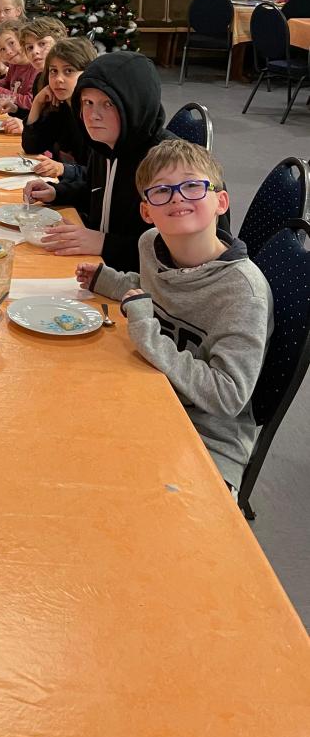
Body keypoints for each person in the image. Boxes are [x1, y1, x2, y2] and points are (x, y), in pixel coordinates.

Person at [76, 140, 272, 494]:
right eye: (162, 191)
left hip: (206, 439)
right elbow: (158, 290)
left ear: (221, 202)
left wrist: (146, 333)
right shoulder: (151, 244)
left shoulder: (243, 292)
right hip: (146, 397)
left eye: (193, 185)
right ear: (147, 211)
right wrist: (112, 282)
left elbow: (227, 396)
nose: (178, 198)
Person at [24, 50, 173, 269]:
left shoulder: (169, 165)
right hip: (99, 267)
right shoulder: (105, 145)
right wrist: (57, 192)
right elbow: (97, 192)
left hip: (138, 281)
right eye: (87, 102)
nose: (93, 115)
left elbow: (174, 255)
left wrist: (104, 243)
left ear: (134, 104)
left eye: (108, 104)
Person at [22, 37, 98, 179]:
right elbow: (32, 147)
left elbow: (99, 175)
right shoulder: (60, 108)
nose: (58, 79)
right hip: (62, 187)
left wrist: (63, 169)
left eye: (68, 71)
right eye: (53, 71)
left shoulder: (95, 116)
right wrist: (37, 104)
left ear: (87, 72)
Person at [1, 16, 68, 134]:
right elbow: (43, 118)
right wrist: (16, 110)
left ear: (59, 44)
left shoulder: (67, 81)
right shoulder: (40, 79)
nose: (35, 51)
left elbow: (64, 131)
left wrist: (29, 128)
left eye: (42, 44)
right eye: (30, 47)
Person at [0, 21, 38, 116]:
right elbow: (8, 83)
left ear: (23, 41)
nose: (8, 51)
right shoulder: (14, 65)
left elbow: (30, 102)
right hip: (13, 113)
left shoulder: (36, 69)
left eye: (11, 43)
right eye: (2, 49)